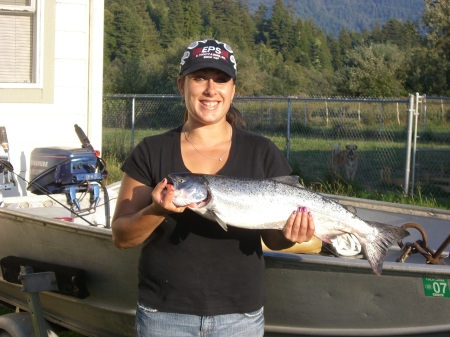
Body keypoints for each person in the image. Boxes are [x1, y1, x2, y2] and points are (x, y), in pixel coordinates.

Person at [111, 39, 315, 337]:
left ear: (234, 89)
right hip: (164, 316)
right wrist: (155, 210)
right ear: (181, 85)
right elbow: (121, 237)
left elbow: (274, 239)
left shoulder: (263, 152)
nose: (210, 89)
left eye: (221, 79)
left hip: (240, 317)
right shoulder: (150, 151)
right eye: (199, 77)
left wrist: (293, 234)